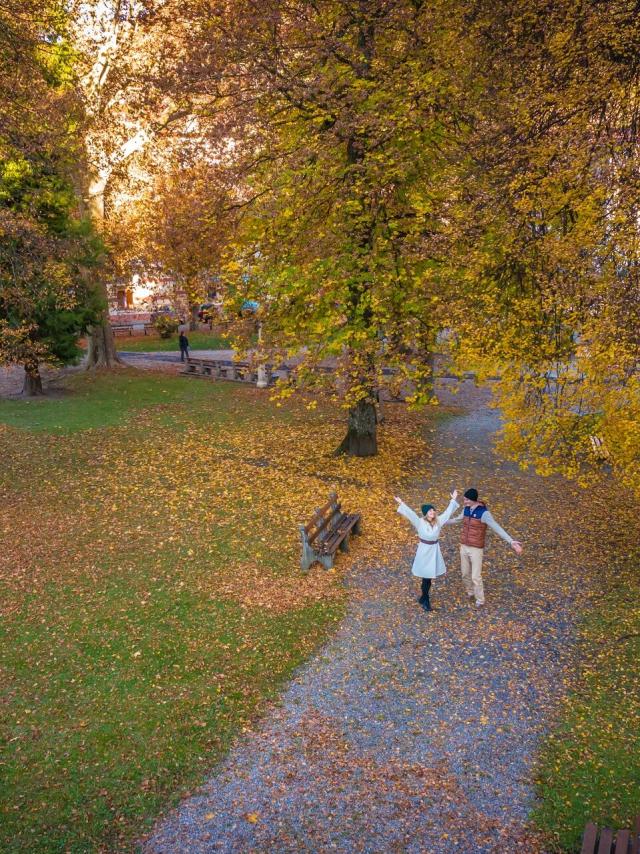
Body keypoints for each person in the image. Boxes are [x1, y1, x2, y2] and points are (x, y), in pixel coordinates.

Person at [446, 488, 523, 607]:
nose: (464, 501)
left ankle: (480, 600)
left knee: (475, 576)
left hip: (476, 548)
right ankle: (470, 592)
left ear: (472, 499)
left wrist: (511, 541)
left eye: (466, 499)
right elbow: (457, 520)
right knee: (465, 573)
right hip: (464, 546)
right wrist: (440, 522)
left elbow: (496, 527)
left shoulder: (484, 513)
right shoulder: (466, 509)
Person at [393, 490, 459, 612]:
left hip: (433, 551)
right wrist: (401, 502)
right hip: (424, 551)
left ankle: (424, 597)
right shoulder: (420, 522)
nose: (432, 512)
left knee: (428, 577)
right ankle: (425, 598)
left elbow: (447, 512)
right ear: (425, 513)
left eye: (433, 510)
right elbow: (410, 514)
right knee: (426, 577)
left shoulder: (438, 521)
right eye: (430, 511)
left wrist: (453, 500)